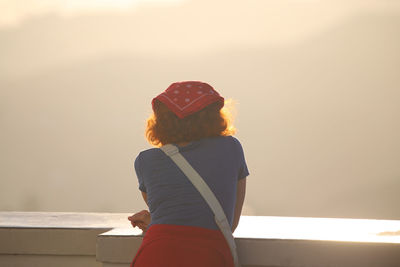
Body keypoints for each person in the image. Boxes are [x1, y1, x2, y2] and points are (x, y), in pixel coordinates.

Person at [128, 81, 249, 267]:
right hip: (207, 256)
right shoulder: (231, 149)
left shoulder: (146, 161)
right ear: (214, 117)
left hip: (154, 254)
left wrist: (153, 222)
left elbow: (172, 221)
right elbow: (228, 223)